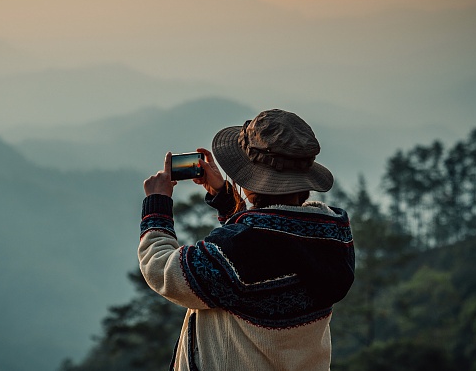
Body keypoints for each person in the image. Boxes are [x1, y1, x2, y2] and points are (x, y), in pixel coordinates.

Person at [140, 109, 355, 370]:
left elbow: (164, 270)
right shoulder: (329, 234)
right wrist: (227, 200)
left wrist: (157, 204)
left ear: (252, 184)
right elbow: (270, 250)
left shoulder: (244, 247)